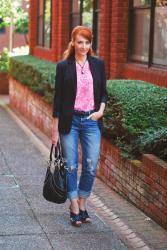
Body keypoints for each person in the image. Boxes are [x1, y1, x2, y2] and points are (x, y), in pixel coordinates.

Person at [52, 26, 108, 227]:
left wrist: (101, 111)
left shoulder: (98, 64)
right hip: (70, 121)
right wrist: (54, 131)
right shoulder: (63, 66)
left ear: (90, 44)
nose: (83, 46)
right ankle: (74, 205)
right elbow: (57, 99)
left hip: (92, 121)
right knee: (71, 165)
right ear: (73, 42)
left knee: (91, 165)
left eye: (87, 42)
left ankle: (83, 203)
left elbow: (103, 93)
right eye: (80, 42)